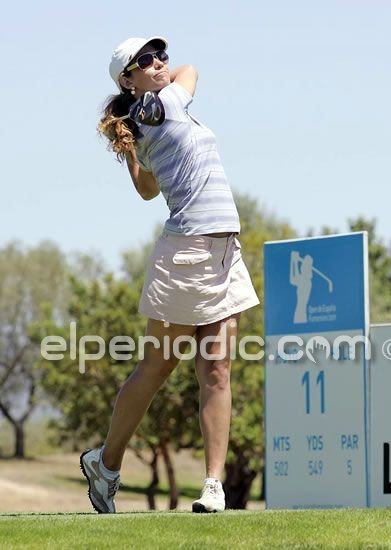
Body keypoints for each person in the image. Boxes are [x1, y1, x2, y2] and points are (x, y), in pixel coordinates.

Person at [80, 36, 261, 514]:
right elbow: (192, 69)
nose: (160, 63)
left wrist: (131, 141)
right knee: (156, 369)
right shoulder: (163, 105)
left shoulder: (147, 116)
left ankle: (213, 485)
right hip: (186, 255)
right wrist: (142, 107)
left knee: (217, 371)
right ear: (128, 79)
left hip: (224, 252)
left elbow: (145, 189)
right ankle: (106, 463)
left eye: (161, 54)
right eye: (146, 60)